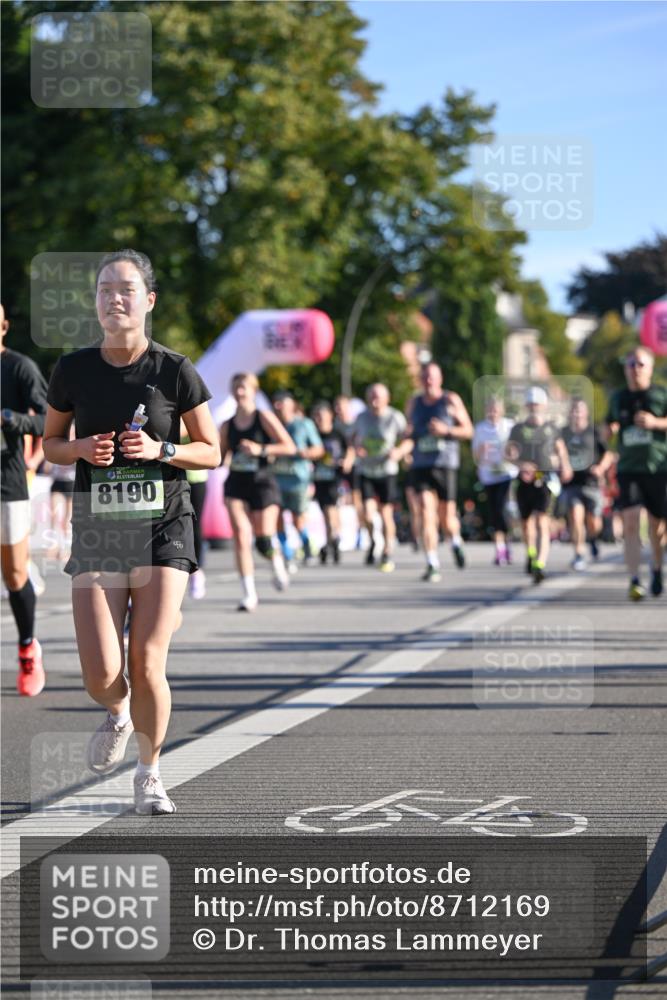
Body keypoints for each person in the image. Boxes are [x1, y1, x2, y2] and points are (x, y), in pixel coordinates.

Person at [43, 249, 220, 815]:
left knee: (146, 661)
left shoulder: (174, 370)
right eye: (103, 290)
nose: (113, 298)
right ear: (95, 303)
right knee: (102, 673)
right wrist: (79, 449)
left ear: (148, 300)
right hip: (99, 528)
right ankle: (117, 711)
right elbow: (49, 446)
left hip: (164, 524)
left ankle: (149, 774)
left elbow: (211, 452)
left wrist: (161, 449)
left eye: (125, 289)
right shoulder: (72, 369)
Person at [1, 303, 48, 695]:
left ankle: (28, 647)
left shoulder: (19, 368)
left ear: (3, 327)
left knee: (15, 574)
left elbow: (52, 420)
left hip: (7, 482)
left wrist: (13, 420)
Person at [219, 373, 294, 610]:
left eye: (243, 388)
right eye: (235, 388)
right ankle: (249, 594)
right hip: (236, 484)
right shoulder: (226, 425)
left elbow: (289, 446)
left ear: (253, 391)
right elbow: (219, 458)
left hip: (262, 482)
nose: (239, 393)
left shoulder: (264, 417)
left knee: (263, 538)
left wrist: (260, 449)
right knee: (241, 535)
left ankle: (276, 560)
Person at [606, 346, 667, 600]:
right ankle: (634, 580)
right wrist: (607, 430)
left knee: (657, 526)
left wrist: (655, 423)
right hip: (628, 468)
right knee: (630, 522)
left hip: (657, 467)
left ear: (651, 368)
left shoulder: (661, 395)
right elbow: (608, 424)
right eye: (631, 364)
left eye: (641, 364)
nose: (635, 369)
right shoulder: (618, 397)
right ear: (625, 369)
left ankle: (656, 567)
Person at [405, 362, 473, 582]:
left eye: (432, 377)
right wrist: (405, 447)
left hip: (445, 464)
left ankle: (455, 541)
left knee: (447, 518)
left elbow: (468, 430)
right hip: (421, 465)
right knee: (425, 510)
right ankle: (432, 562)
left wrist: (447, 430)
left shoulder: (450, 400)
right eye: (425, 377)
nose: (428, 381)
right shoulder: (413, 403)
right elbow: (408, 432)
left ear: (440, 379)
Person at [506, 387, 572, 584]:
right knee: (526, 524)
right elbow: (507, 454)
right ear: (527, 406)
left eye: (537, 404)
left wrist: (565, 466)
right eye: (531, 404)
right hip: (524, 480)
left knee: (543, 521)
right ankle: (531, 553)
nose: (534, 408)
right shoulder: (518, 429)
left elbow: (561, 450)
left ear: (543, 406)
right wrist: (520, 465)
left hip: (545, 479)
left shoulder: (552, 428)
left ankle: (540, 564)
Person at [352, 383, 411, 572]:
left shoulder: (394, 417)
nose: (374, 401)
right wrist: (356, 448)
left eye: (378, 397)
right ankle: (373, 542)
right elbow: (351, 438)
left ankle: (387, 549)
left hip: (387, 470)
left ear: (387, 399)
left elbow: (408, 438)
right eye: (371, 397)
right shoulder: (361, 418)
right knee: (368, 514)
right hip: (367, 470)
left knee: (386, 513)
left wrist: (400, 451)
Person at [272, 390, 324, 569]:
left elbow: (319, 449)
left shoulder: (304, 424)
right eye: (276, 405)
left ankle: (307, 545)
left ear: (292, 405)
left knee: (297, 519)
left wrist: (306, 453)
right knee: (276, 516)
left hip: (297, 480)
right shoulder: (271, 424)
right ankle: (287, 553)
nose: (279, 408)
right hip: (275, 480)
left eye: (283, 404)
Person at [561, 399, 613, 571]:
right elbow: (555, 453)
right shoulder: (564, 433)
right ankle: (578, 554)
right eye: (573, 410)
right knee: (575, 517)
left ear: (586, 413)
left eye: (579, 410)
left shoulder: (594, 432)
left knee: (593, 523)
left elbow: (608, 455)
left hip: (591, 483)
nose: (576, 413)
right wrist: (561, 466)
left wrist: (600, 468)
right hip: (572, 483)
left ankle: (592, 539)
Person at [472, 396, 518, 565]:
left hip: (507, 473)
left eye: (496, 409)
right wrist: (481, 451)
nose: (493, 413)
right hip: (489, 475)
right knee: (495, 511)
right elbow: (475, 456)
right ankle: (499, 549)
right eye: (490, 409)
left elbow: (517, 450)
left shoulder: (509, 426)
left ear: (502, 410)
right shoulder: (480, 429)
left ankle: (508, 543)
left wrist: (510, 451)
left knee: (506, 509)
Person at [311, 401, 353, 564]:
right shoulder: (313, 435)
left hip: (335, 479)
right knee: (326, 511)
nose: (320, 420)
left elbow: (350, 449)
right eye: (317, 417)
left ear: (330, 416)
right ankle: (331, 540)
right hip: (319, 479)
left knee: (331, 510)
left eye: (323, 416)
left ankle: (332, 540)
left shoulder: (337, 433)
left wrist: (347, 461)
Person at [180, 419, 208, 599]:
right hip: (171, 479)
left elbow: (181, 431)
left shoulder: (192, 414)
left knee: (194, 526)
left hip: (195, 478)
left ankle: (197, 571)